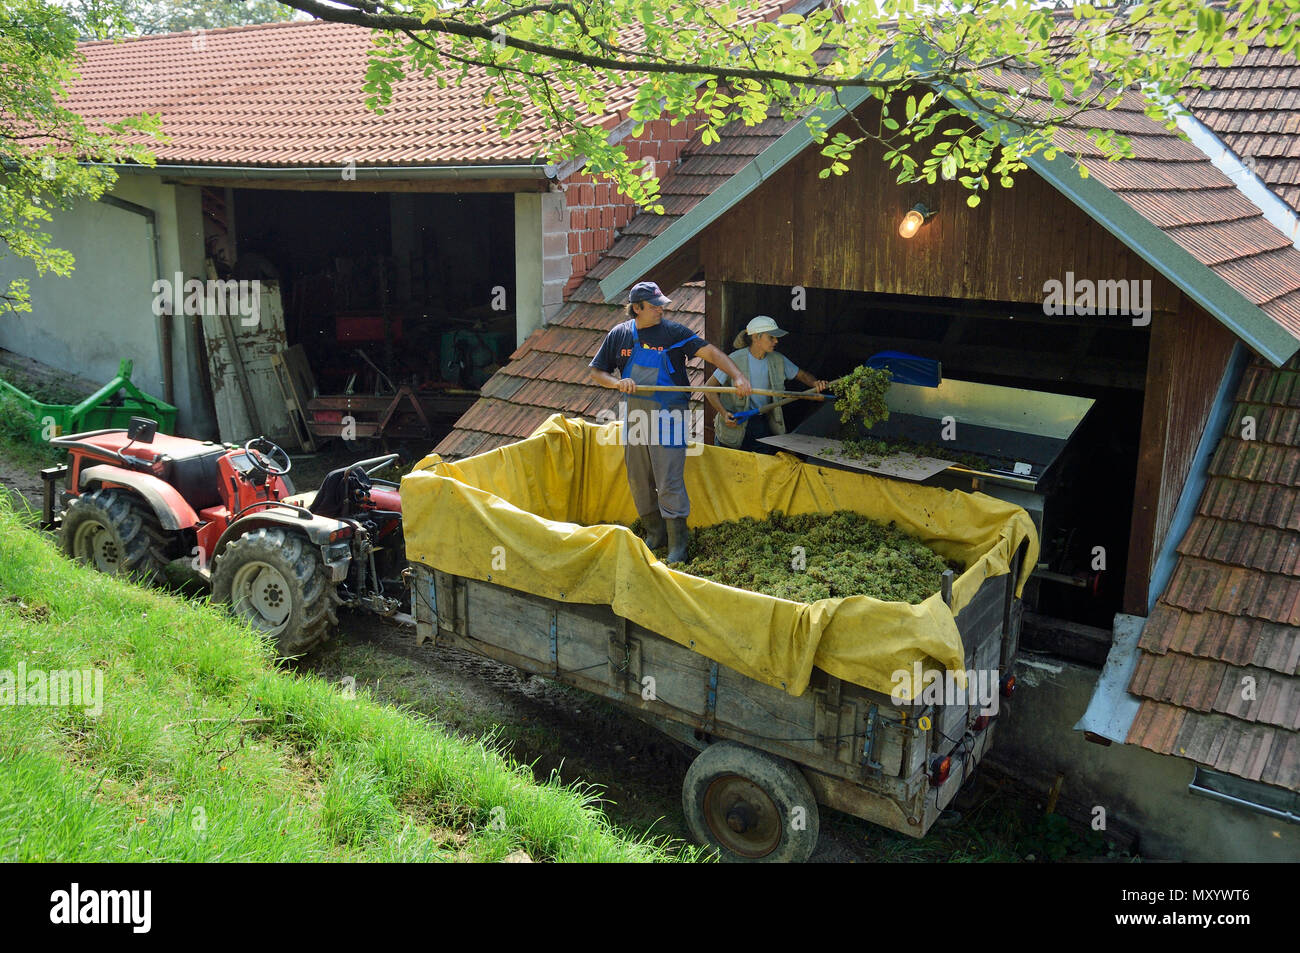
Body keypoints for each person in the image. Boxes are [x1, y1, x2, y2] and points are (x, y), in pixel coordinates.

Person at [590, 281, 752, 564]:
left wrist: (737, 376)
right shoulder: (619, 335)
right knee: (638, 478)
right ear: (637, 309)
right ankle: (656, 533)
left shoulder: (673, 332)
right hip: (636, 415)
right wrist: (618, 383)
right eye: (654, 306)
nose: (661, 310)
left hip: (670, 415)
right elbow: (596, 372)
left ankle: (679, 544)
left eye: (662, 305)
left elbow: (711, 353)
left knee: (668, 480)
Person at [706, 315, 829, 453]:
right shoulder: (734, 359)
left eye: (776, 337)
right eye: (771, 337)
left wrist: (815, 383)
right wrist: (723, 413)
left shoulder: (777, 360)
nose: (776, 341)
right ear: (756, 337)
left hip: (759, 423)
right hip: (734, 423)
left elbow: (801, 375)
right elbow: (709, 389)